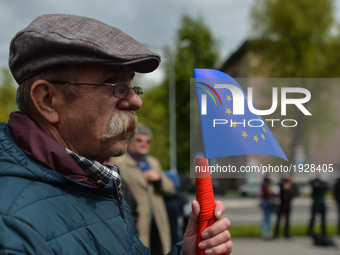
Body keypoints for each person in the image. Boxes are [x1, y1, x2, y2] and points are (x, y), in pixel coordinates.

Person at [0, 14, 233, 255]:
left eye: (131, 85)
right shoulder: (12, 225)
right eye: (113, 84)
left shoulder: (94, 181)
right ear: (48, 101)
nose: (135, 101)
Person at [115, 124, 174, 254]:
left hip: (158, 221)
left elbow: (170, 188)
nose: (144, 144)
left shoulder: (154, 162)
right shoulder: (119, 162)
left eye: (147, 141)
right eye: (139, 140)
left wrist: (158, 179)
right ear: (130, 142)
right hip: (137, 222)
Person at [260, 174, 278, 239]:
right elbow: (267, 192)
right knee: (266, 219)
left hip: (271, 203)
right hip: (267, 203)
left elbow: (275, 192)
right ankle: (265, 233)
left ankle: (269, 233)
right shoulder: (264, 184)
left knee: (269, 219)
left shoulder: (271, 184)